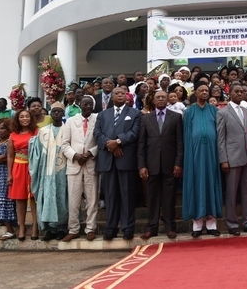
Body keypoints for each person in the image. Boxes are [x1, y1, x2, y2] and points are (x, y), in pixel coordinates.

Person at [94, 87, 141, 241]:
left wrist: (118, 141)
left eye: (122, 93)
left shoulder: (135, 114)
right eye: (116, 93)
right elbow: (97, 134)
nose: (120, 95)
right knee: (110, 196)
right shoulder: (102, 115)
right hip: (108, 160)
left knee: (127, 196)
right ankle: (111, 227)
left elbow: (135, 132)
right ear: (111, 97)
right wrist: (110, 145)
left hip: (126, 160)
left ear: (127, 96)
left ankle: (128, 228)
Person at [138, 90, 183, 240]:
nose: (161, 99)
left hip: (170, 165)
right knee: (152, 198)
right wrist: (142, 166)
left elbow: (179, 143)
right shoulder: (146, 119)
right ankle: (152, 228)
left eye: (164, 97)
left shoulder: (176, 117)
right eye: (158, 97)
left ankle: (170, 227)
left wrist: (178, 163)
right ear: (153, 100)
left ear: (167, 100)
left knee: (169, 198)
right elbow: (142, 144)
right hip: (151, 166)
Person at [216, 82, 247, 236]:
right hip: (232, 157)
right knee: (232, 192)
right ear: (230, 94)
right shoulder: (222, 113)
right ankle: (232, 223)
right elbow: (220, 139)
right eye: (236, 91)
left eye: (242, 91)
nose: (240, 94)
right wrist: (223, 159)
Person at [183, 83, 223, 237]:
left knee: (211, 184)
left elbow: (219, 134)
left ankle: (212, 224)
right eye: (202, 90)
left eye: (207, 90)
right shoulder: (189, 111)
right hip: (194, 156)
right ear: (195, 93)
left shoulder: (214, 110)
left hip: (212, 155)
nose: (205, 92)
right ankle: (197, 225)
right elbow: (186, 134)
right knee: (196, 185)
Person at [60, 95, 99, 242]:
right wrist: (75, 156)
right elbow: (64, 144)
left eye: (90, 104)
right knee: (73, 201)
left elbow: (100, 141)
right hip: (74, 165)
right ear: (79, 105)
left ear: (93, 106)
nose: (87, 106)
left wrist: (90, 153)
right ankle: (73, 229)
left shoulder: (98, 119)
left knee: (92, 199)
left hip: (91, 163)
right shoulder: (70, 121)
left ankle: (90, 229)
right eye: (85, 104)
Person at [29, 102, 69, 241]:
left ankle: (62, 228)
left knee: (62, 198)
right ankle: (50, 229)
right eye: (54, 112)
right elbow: (37, 152)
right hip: (47, 171)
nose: (56, 114)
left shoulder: (68, 130)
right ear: (50, 114)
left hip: (63, 172)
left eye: (59, 111)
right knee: (48, 197)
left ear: (63, 114)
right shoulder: (43, 131)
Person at [7, 109, 40, 241]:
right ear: (18, 119)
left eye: (27, 116)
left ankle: (35, 226)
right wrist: (9, 174)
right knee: (20, 199)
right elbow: (10, 156)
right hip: (18, 166)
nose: (25, 119)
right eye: (22, 117)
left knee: (33, 197)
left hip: (33, 166)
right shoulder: (13, 135)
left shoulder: (36, 131)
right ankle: (21, 227)